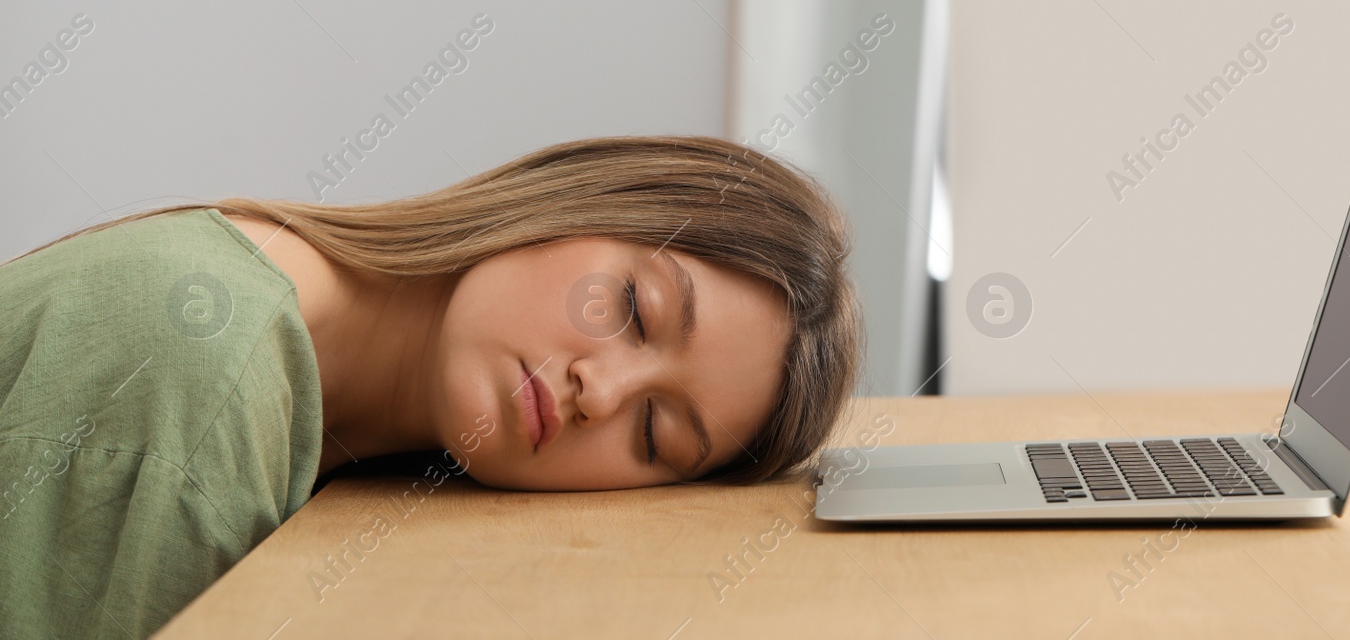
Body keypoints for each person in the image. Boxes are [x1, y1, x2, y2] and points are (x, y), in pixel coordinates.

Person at [0, 136, 862, 639]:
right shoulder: (200, 383)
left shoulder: (323, 373)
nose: (600, 392)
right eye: (634, 308)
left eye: (655, 436)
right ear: (569, 203)